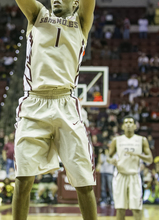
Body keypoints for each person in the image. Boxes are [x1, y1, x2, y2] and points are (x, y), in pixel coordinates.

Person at [13, 0, 97, 219]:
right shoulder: (38, 14)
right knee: (23, 179)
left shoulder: (81, 21)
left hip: (66, 104)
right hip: (34, 103)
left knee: (84, 181)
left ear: (76, 3)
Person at [107, 116, 153, 220]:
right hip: (120, 176)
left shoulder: (142, 140)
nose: (128, 124)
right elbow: (109, 157)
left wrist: (138, 154)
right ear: (122, 126)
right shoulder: (116, 140)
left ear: (135, 126)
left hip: (134, 176)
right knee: (120, 209)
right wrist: (112, 161)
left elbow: (150, 159)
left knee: (136, 208)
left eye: (131, 122)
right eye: (126, 122)